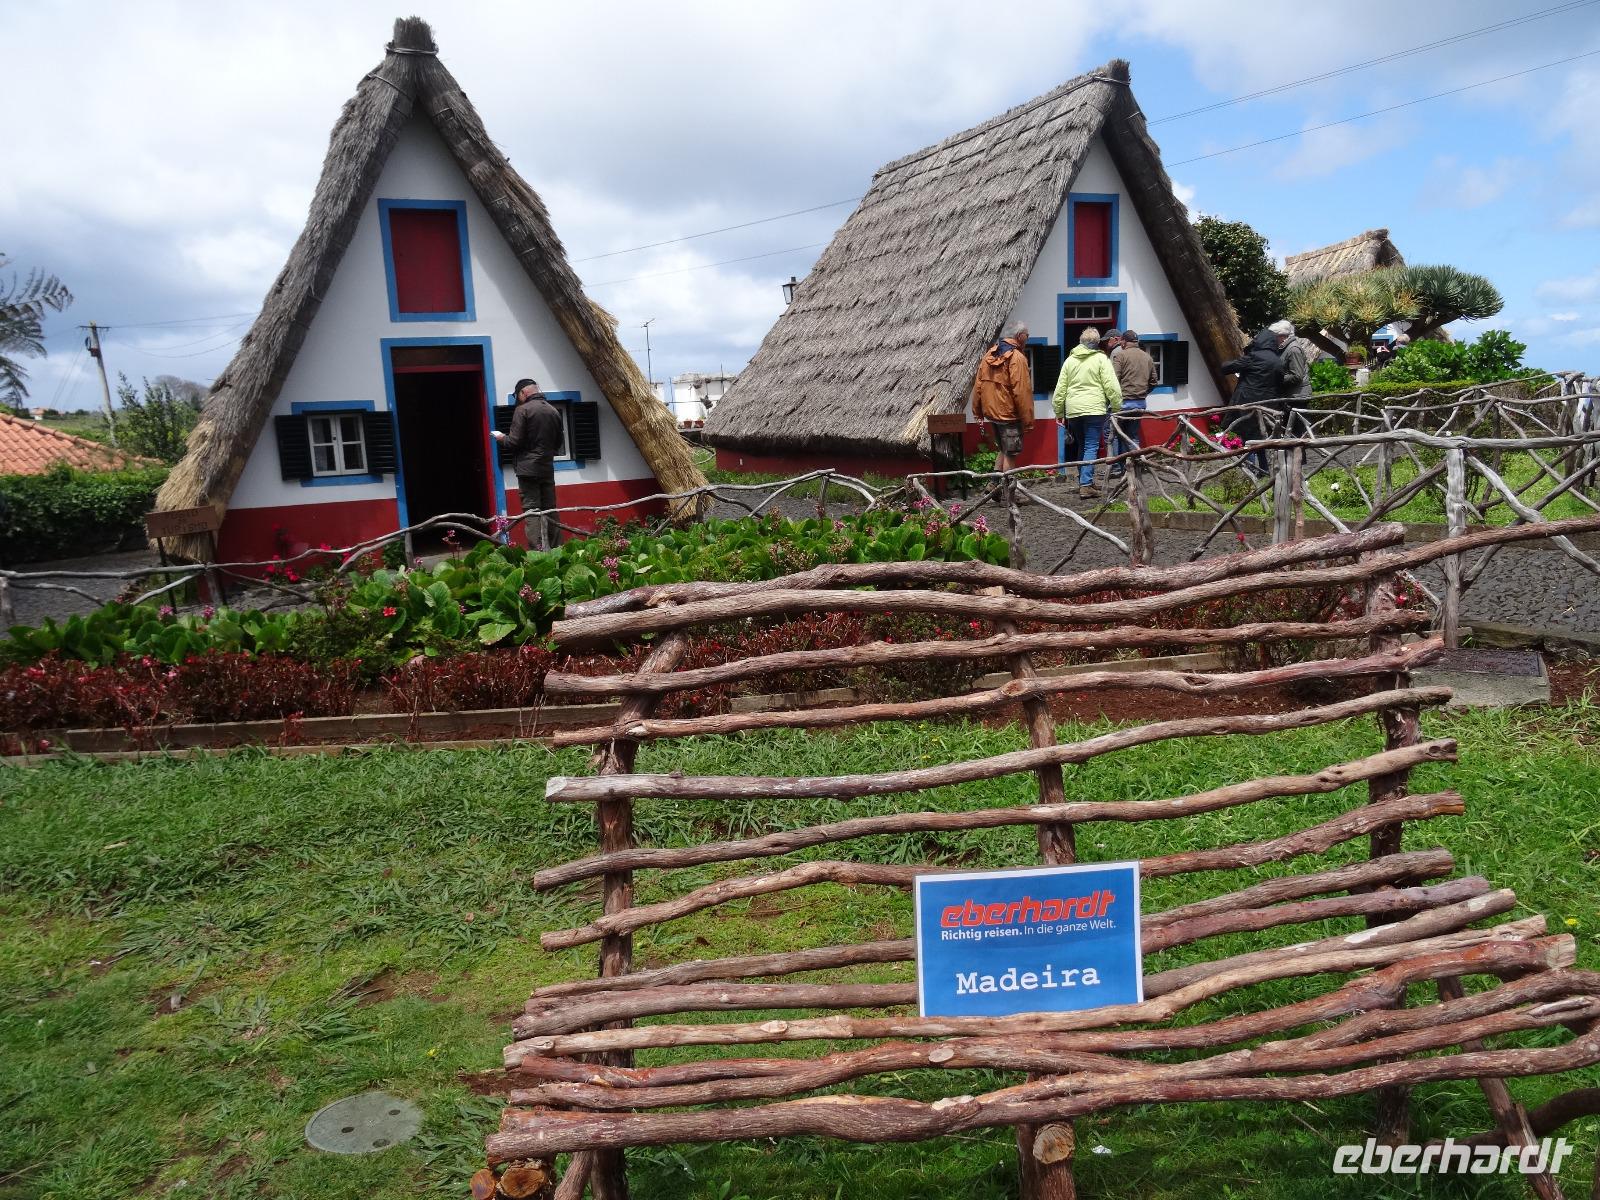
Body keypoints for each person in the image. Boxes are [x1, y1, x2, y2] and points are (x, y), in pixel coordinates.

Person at [493, 378, 565, 549]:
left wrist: (501, 438)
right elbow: (558, 443)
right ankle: (558, 550)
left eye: (518, 395)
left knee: (532, 512)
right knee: (550, 510)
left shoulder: (522, 410)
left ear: (523, 393)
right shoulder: (553, 411)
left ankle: (538, 553)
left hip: (527, 471)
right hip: (547, 468)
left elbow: (514, 442)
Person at [1052, 327, 1122, 499]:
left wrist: (1059, 411)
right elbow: (1111, 385)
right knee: (1091, 445)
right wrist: (1116, 405)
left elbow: (1060, 389)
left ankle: (1085, 480)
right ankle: (1085, 484)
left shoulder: (1070, 361)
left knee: (1082, 445)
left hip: (1074, 410)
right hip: (1094, 408)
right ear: (1097, 342)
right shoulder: (1101, 359)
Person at [1220, 328, 1286, 474]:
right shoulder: (1277, 360)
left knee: (1246, 437)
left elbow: (1227, 368)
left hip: (1247, 402)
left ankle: (1250, 469)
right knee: (1262, 437)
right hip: (1269, 404)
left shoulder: (1254, 357)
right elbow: (1281, 383)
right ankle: (1264, 469)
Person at [970, 323, 1033, 473]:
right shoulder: (1017, 358)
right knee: (1011, 454)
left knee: (1004, 449)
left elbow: (978, 385)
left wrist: (977, 412)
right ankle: (1009, 493)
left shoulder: (989, 355)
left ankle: (994, 485)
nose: (1028, 338)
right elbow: (1022, 392)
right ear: (1020, 336)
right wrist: (1028, 421)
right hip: (1009, 416)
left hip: (992, 414)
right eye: (1027, 335)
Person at [1108, 329, 1158, 478]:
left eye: (1121, 342)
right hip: (1140, 403)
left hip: (1122, 403)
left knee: (1115, 435)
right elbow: (1154, 381)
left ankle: (1117, 467)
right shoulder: (1147, 357)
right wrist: (1143, 393)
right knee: (1133, 435)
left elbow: (1113, 380)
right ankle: (1135, 463)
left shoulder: (1119, 355)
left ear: (1123, 341)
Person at [1270, 319, 1311, 436]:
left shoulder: (1293, 350)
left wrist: (1278, 379)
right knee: (1292, 432)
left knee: (1298, 433)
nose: (1274, 339)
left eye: (1276, 336)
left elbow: (1297, 375)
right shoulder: (1286, 348)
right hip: (1293, 396)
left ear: (1283, 336)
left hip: (1297, 397)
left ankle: (1298, 454)